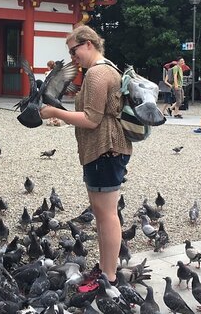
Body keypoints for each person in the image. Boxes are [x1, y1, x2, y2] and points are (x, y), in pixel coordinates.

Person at [40, 25, 131, 285]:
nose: (72, 57)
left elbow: (91, 119)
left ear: (88, 43)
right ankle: (104, 269)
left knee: (107, 215)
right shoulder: (108, 68)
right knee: (103, 214)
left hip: (105, 149)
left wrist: (55, 112)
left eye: (74, 50)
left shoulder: (97, 74)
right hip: (104, 150)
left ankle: (109, 275)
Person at [44, 60, 61, 126]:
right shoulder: (58, 73)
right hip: (56, 91)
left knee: (49, 105)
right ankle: (57, 120)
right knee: (55, 105)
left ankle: (50, 120)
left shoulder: (47, 73)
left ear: (49, 66)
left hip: (49, 91)